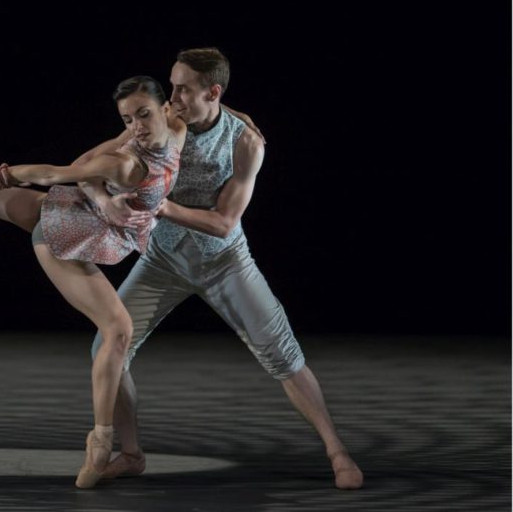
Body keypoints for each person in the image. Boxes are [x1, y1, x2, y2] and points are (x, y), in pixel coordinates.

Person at [82, 48, 364, 489]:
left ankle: (337, 450)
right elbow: (85, 169)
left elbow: (223, 222)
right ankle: (131, 453)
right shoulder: (160, 125)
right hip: (162, 260)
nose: (170, 97)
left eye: (182, 89)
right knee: (107, 345)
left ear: (213, 92)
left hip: (224, 260)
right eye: (170, 85)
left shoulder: (245, 141)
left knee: (281, 352)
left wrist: (159, 206)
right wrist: (105, 202)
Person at [0, 76, 186, 488]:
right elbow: (58, 171)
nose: (135, 126)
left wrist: (244, 120)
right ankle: (101, 438)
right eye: (127, 119)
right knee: (118, 330)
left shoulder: (177, 125)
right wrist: (4, 173)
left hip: (66, 210)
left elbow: (212, 106)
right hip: (64, 237)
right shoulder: (128, 161)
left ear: (166, 107)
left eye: (143, 114)